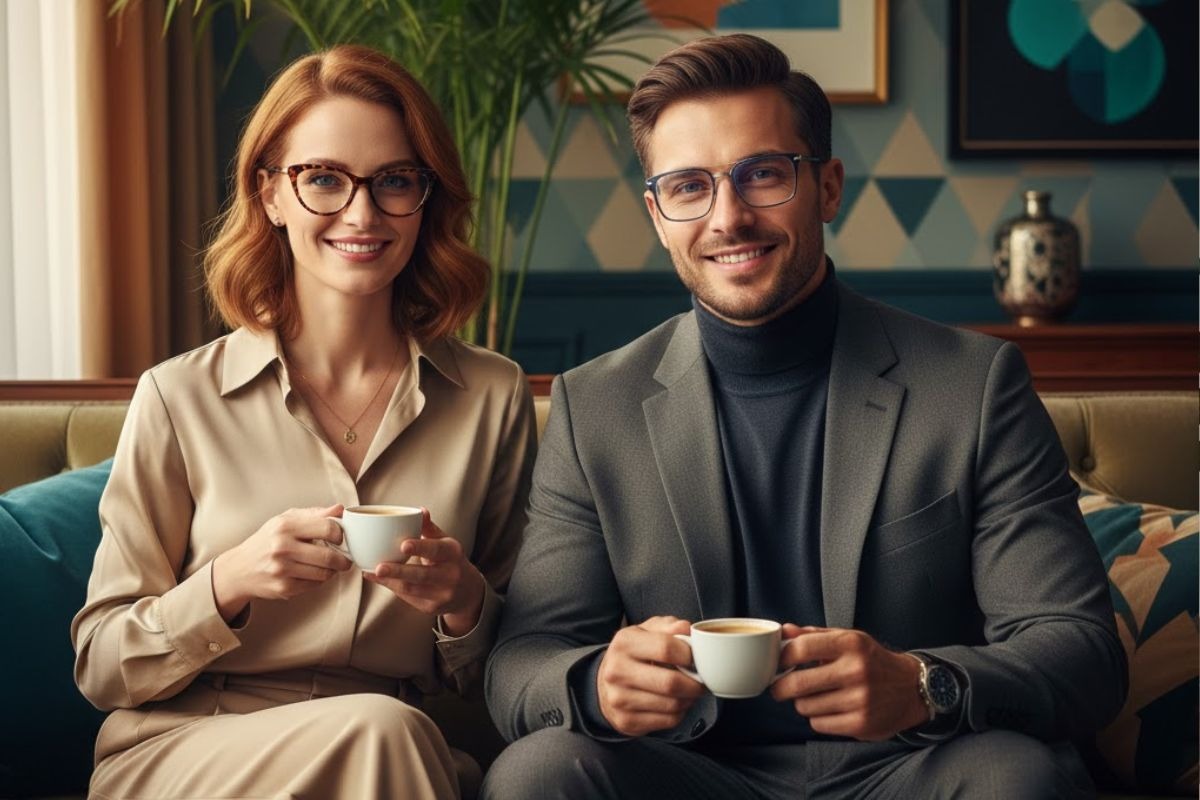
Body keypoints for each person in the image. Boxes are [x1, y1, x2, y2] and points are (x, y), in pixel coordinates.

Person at [482, 34, 1125, 799]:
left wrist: (922, 684)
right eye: (689, 186)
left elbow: (1081, 653)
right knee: (538, 775)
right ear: (658, 214)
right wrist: (593, 683)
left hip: (914, 767)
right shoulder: (595, 407)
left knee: (1018, 780)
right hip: (688, 775)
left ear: (826, 186)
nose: (728, 217)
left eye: (762, 175)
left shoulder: (974, 385)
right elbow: (523, 664)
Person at [71, 44, 536, 800]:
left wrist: (464, 601)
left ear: (427, 198)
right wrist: (227, 583)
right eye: (323, 178)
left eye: (393, 181)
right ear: (271, 195)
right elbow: (101, 664)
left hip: (397, 751)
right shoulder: (177, 397)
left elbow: (525, 666)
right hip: (188, 751)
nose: (362, 212)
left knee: (387, 736)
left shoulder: (492, 396)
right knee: (384, 736)